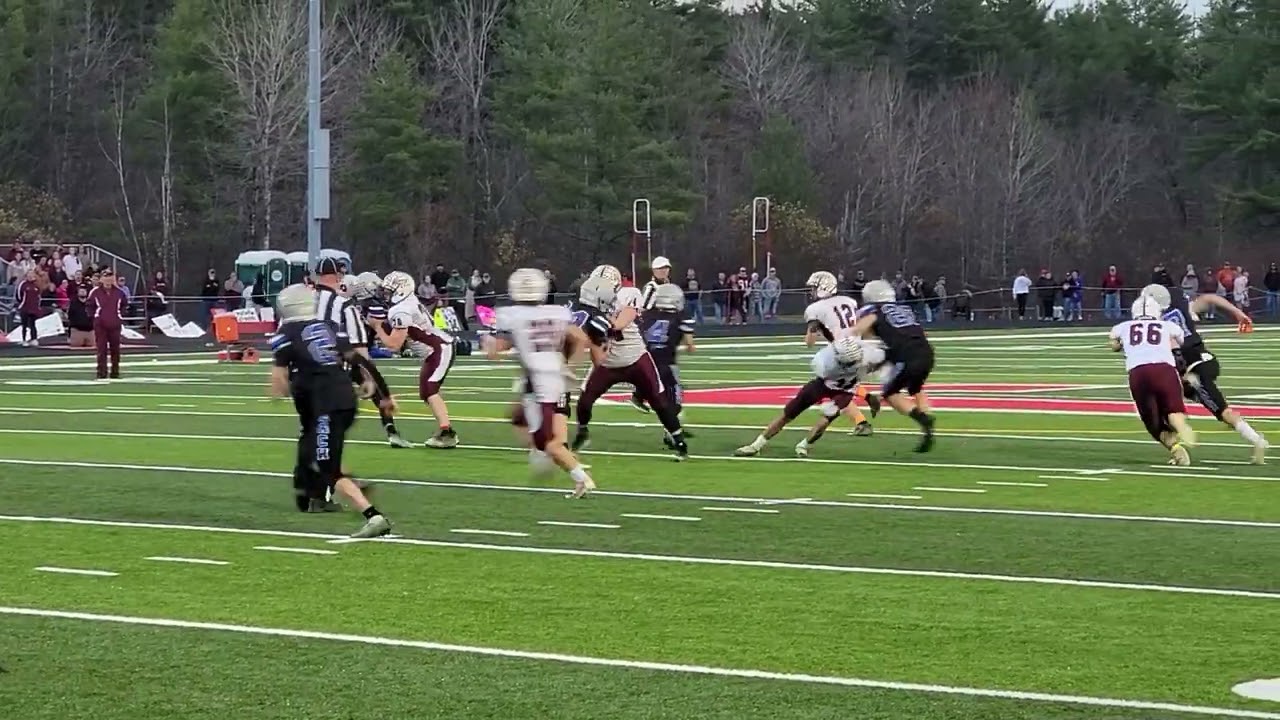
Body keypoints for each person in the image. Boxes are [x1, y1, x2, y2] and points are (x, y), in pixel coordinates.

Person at [269, 284, 395, 537]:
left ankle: (373, 516)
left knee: (328, 466)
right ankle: (347, 484)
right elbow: (355, 358)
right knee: (321, 451)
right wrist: (375, 388)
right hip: (345, 399)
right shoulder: (330, 327)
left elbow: (278, 380)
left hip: (326, 404)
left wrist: (279, 390)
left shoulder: (285, 333)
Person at [485, 268, 597, 498]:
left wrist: (486, 341)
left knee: (549, 443)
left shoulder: (512, 315)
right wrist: (571, 367)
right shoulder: (557, 312)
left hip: (538, 381)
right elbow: (580, 339)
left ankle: (582, 479)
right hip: (553, 375)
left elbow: (497, 351)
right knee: (524, 421)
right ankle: (552, 462)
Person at [571, 265, 689, 460]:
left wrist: (602, 324)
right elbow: (596, 353)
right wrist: (593, 336)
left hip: (635, 357)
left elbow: (621, 322)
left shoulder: (629, 294)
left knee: (659, 400)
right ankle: (583, 433)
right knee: (585, 401)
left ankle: (680, 442)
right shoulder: (589, 307)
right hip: (609, 363)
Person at [1143, 283, 1269, 464]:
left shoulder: (1157, 322)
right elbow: (1209, 299)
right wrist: (1238, 313)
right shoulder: (1182, 305)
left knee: (1220, 411)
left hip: (1193, 366)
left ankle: (1257, 440)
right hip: (1205, 360)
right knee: (1172, 404)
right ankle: (1256, 440)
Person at [736, 337, 887, 458]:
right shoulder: (826, 364)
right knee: (789, 413)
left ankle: (804, 445)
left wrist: (867, 395)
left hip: (845, 390)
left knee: (825, 420)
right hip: (824, 384)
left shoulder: (864, 354)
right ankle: (756, 445)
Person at [370, 271, 458, 449]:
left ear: (400, 290)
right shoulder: (407, 303)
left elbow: (394, 345)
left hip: (439, 349)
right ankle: (445, 429)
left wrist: (377, 327)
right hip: (435, 349)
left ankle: (447, 432)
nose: (386, 296)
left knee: (430, 390)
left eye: (389, 291)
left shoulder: (401, 309)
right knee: (426, 392)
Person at [1108, 294, 1196, 465]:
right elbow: (1180, 340)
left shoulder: (1123, 327)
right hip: (1164, 370)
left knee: (1152, 421)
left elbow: (1113, 344)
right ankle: (1179, 423)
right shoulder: (1167, 325)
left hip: (1138, 372)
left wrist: (1120, 345)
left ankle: (1176, 448)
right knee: (1173, 409)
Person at [851, 279, 937, 452]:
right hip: (926, 351)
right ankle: (927, 427)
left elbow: (858, 331)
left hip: (908, 355)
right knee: (916, 388)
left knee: (890, 393)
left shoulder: (872, 310)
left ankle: (924, 420)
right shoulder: (905, 308)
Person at [802, 270, 879, 434]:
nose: (812, 292)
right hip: (859, 348)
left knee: (833, 390)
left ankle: (862, 422)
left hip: (843, 352)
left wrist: (812, 331)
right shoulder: (849, 301)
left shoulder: (817, 308)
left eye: (814, 287)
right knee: (845, 387)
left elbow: (810, 342)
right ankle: (865, 406)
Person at [641, 284, 697, 436]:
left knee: (661, 396)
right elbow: (690, 346)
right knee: (675, 401)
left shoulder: (647, 316)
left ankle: (638, 395)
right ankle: (671, 432)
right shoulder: (681, 316)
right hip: (667, 364)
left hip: (647, 363)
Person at [86, 268, 127, 379]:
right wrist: (95, 319)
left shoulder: (119, 292)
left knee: (115, 349)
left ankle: (115, 371)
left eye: (110, 277)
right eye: (106, 277)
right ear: (102, 279)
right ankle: (101, 372)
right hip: (101, 325)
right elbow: (89, 306)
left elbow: (124, 305)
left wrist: (119, 316)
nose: (108, 280)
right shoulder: (95, 292)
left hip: (115, 324)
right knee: (101, 349)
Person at [16, 269, 42, 347]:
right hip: (25, 308)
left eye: (32, 274)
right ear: (26, 275)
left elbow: (39, 297)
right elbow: (18, 295)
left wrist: (37, 306)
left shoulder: (36, 286)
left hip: (34, 308)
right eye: (29, 274)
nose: (30, 276)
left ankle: (34, 339)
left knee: (33, 324)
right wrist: (21, 304)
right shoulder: (23, 284)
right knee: (24, 324)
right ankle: (24, 340)